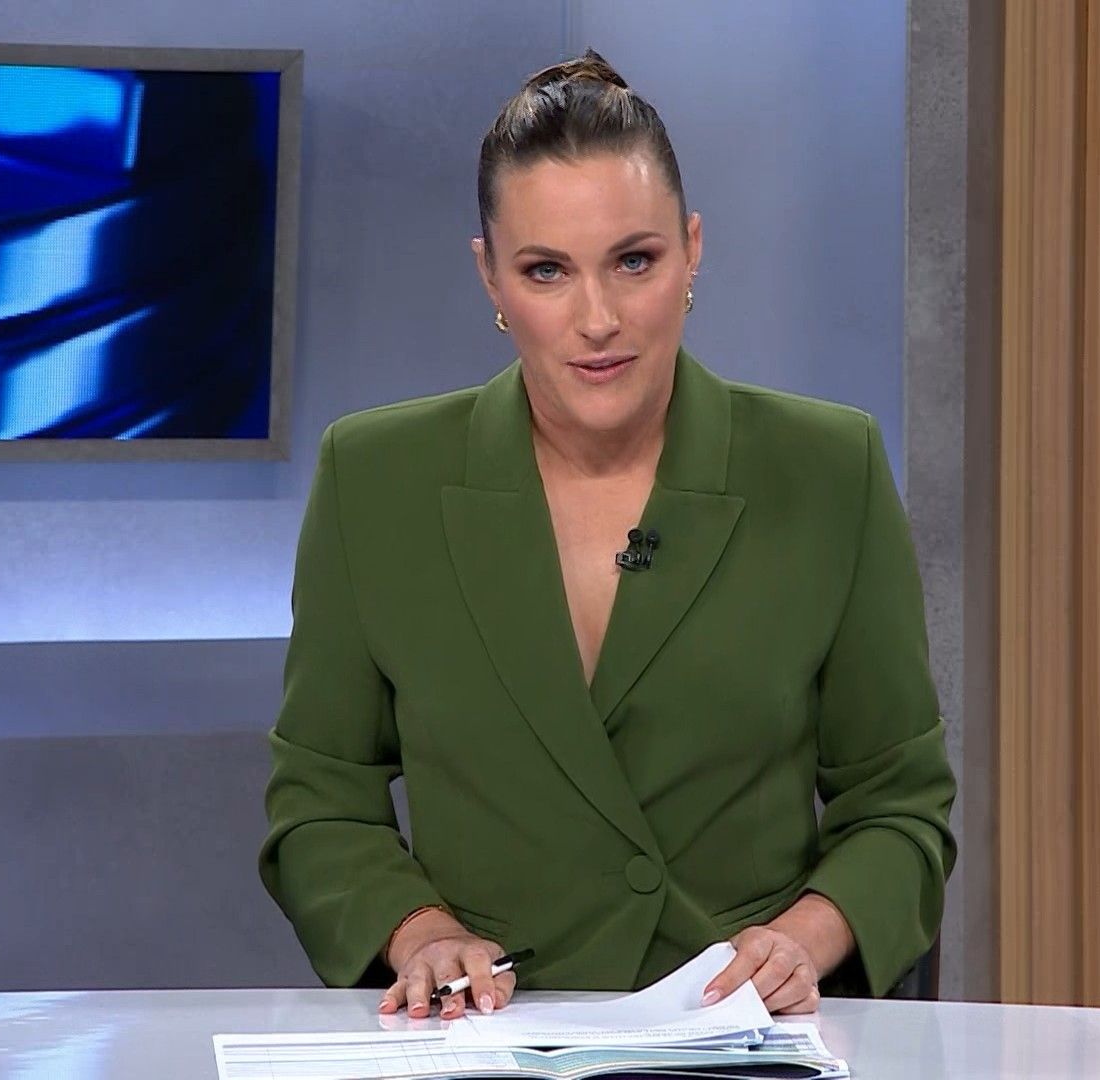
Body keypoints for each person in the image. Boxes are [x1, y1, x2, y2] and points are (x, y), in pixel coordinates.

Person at [258, 48, 956, 1023]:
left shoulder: (829, 470)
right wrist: (420, 935)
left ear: (692, 250)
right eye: (547, 271)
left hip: (740, 1039)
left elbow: (901, 809)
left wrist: (805, 939)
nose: (598, 319)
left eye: (635, 261)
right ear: (490, 277)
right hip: (489, 1036)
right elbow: (319, 806)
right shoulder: (374, 480)